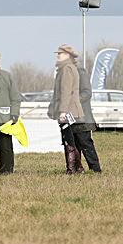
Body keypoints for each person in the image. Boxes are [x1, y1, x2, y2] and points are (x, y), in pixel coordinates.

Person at [47, 44, 85, 175]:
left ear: (67, 55)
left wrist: (63, 111)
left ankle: (72, 169)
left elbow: (66, 92)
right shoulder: (66, 68)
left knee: (68, 141)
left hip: (69, 111)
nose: (58, 56)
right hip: (70, 110)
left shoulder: (67, 69)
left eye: (60, 54)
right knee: (71, 140)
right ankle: (78, 168)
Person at [74, 62, 103, 173]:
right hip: (71, 117)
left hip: (83, 117)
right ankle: (77, 168)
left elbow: (87, 93)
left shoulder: (81, 73)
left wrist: (73, 102)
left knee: (85, 143)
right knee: (73, 145)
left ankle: (95, 168)